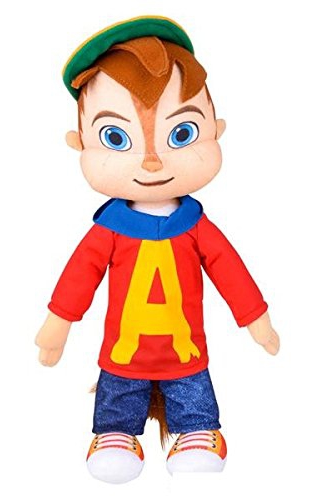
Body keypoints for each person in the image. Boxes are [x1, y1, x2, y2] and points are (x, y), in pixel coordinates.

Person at [35, 15, 280, 484]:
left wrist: (255, 317)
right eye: (116, 138)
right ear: (79, 144)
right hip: (122, 354)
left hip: (185, 353)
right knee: (117, 401)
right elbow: (79, 276)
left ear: (215, 131)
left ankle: (197, 430)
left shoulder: (195, 227)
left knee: (193, 397)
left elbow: (229, 270)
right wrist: (58, 325)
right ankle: (115, 433)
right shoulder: (110, 230)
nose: (151, 161)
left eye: (181, 134)